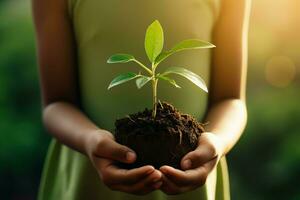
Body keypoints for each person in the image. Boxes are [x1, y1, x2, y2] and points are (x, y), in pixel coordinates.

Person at [32, 0, 251, 199]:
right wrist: (89, 140)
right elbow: (56, 104)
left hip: (193, 183)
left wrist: (218, 142)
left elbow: (231, 99)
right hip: (86, 181)